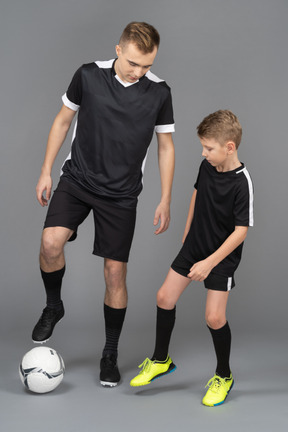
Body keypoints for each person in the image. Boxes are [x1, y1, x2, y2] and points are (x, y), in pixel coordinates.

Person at [31, 22, 175, 388]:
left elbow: (166, 147)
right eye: (132, 63)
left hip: (122, 195)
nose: (138, 72)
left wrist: (165, 198)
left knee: (114, 274)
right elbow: (63, 120)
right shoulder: (88, 75)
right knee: (50, 244)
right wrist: (46, 170)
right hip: (77, 179)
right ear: (118, 49)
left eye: (146, 65)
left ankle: (109, 353)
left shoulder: (159, 93)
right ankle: (53, 305)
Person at [130, 110, 254, 407]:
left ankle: (223, 376)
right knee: (164, 297)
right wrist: (186, 232)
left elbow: (240, 233)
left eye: (208, 148)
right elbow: (197, 195)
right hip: (195, 247)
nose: (203, 152)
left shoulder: (242, 182)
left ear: (229, 147)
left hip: (220, 258)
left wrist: (209, 262)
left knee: (214, 317)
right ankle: (161, 360)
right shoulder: (206, 166)